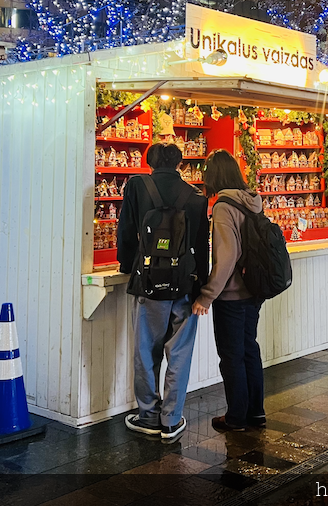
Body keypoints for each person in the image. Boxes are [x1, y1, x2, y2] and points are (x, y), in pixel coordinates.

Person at [117, 143, 210, 441]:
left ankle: (147, 415)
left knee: (145, 350)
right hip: (185, 283)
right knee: (180, 352)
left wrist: (126, 265)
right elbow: (200, 245)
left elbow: (126, 229)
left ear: (150, 161)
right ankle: (171, 419)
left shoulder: (137, 186)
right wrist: (201, 285)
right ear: (180, 163)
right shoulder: (196, 197)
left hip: (148, 282)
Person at [193, 150, 266, 433]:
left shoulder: (224, 206)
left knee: (232, 355)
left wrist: (207, 295)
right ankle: (255, 413)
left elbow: (226, 256)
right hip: (253, 290)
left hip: (232, 294)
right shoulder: (252, 201)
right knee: (250, 350)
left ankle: (236, 417)